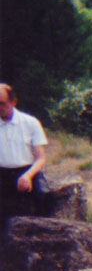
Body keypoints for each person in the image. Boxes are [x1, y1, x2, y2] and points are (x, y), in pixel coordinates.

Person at [0, 83, 49, 229]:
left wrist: (27, 176)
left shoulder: (30, 123)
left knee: (44, 198)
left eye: (2, 103)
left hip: (26, 171)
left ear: (13, 102)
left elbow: (41, 158)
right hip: (1, 174)